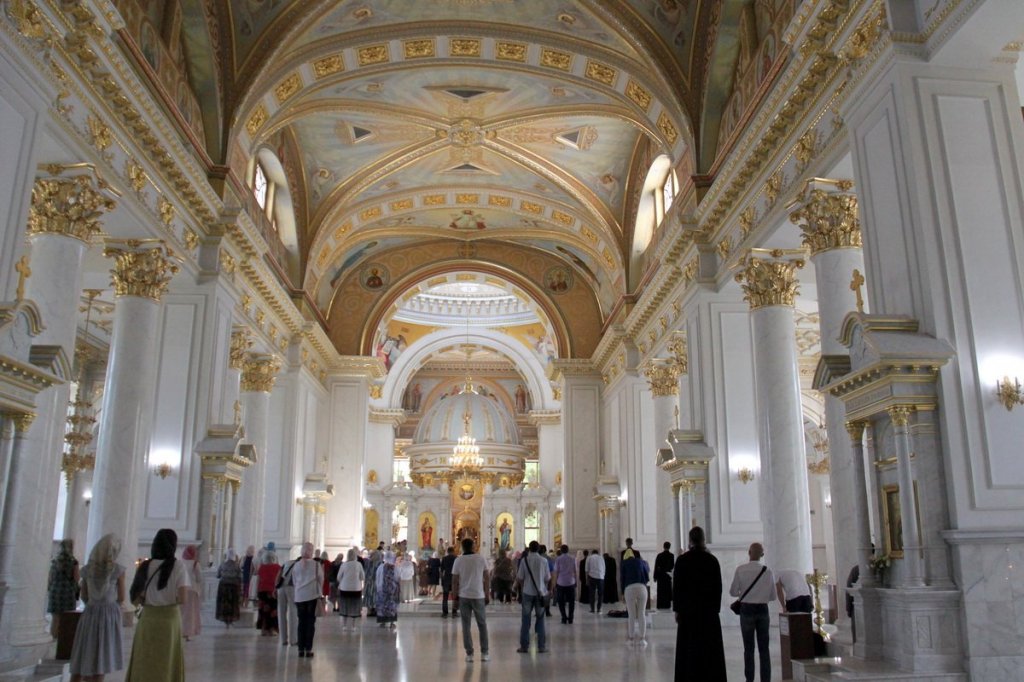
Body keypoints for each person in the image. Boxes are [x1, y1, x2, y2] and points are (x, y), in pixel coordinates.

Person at [125, 528, 190, 682]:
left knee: (144, 661)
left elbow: (134, 597)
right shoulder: (178, 566)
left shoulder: (144, 565)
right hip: (169, 621)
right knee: (166, 662)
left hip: (148, 619)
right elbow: (183, 598)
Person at [673, 526, 727, 681]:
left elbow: (677, 588)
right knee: (710, 651)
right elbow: (718, 588)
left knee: (688, 651)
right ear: (704, 539)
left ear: (690, 540)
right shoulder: (712, 560)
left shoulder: (682, 561)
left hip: (688, 613)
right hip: (708, 614)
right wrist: (715, 609)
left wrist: (677, 610)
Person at [69, 533, 124, 682]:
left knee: (84, 652)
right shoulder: (118, 570)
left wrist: (94, 603)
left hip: (90, 613)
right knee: (102, 657)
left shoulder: (88, 569)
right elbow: (122, 597)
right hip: (109, 614)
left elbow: (84, 596)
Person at [729, 542, 776, 682]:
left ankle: (749, 679)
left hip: (746, 610)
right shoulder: (768, 571)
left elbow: (733, 592)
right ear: (762, 554)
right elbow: (773, 596)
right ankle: (765, 679)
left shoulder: (741, 569)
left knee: (748, 648)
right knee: (764, 649)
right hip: (762, 610)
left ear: (749, 553)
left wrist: (745, 594)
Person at [452, 537, 490, 662]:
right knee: (482, 624)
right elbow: (487, 577)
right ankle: (485, 653)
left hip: (464, 596)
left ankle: (469, 654)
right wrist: (487, 593)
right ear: (473, 546)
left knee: (466, 625)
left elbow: (454, 580)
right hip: (478, 595)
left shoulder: (458, 560)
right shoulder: (481, 558)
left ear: (462, 547)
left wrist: (455, 598)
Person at [516, 540, 551, 653]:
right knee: (540, 619)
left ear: (529, 549)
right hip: (540, 594)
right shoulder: (544, 561)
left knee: (526, 620)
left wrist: (523, 587)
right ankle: (541, 646)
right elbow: (547, 578)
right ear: (539, 549)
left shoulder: (524, 560)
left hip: (527, 592)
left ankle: (524, 646)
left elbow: (520, 578)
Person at [291, 542, 324, 658]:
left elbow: (294, 581)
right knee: (310, 623)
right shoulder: (316, 565)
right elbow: (320, 579)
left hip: (299, 596)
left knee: (301, 622)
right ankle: (308, 649)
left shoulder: (296, 565)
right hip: (312, 595)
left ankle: (300, 649)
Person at [47, 539, 80, 638]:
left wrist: (50, 588)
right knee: (66, 618)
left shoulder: (55, 560)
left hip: (55, 590)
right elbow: (76, 578)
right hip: (67, 592)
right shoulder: (73, 562)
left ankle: (53, 637)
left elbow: (50, 577)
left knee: (55, 618)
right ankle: (62, 640)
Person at [621, 548, 651, 645]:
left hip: (629, 588)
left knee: (631, 615)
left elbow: (622, 579)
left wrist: (622, 593)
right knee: (642, 613)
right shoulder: (642, 562)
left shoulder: (624, 563)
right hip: (642, 588)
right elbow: (647, 577)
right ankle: (642, 639)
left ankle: (631, 639)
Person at [337, 548, 365, 631]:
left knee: (345, 606)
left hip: (344, 588)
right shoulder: (359, 564)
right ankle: (353, 626)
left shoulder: (344, 565)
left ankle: (344, 625)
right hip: (356, 588)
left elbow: (338, 577)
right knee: (355, 606)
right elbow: (362, 577)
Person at [255, 549, 281, 637]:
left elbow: (258, 580)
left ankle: (263, 630)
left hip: (262, 591)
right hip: (273, 592)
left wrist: (257, 591)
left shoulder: (261, 567)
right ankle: (272, 629)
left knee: (263, 611)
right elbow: (279, 580)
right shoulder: (278, 567)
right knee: (273, 611)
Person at [178, 545, 202, 641]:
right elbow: (199, 578)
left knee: (181, 612)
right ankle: (187, 633)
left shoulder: (180, 563)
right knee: (190, 614)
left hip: (181, 589)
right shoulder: (195, 564)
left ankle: (179, 631)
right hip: (192, 591)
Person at [276, 551, 299, 646]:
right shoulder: (299, 565)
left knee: (281, 612)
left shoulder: (286, 563)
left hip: (281, 588)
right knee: (293, 613)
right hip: (291, 588)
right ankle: (293, 640)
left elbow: (278, 576)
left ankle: (283, 639)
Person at [215, 549, 242, 627]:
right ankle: (231, 618)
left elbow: (218, 575)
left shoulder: (222, 564)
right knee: (233, 603)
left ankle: (225, 619)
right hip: (234, 586)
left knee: (224, 603)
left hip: (223, 585)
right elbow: (240, 576)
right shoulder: (237, 565)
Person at [375, 551, 401, 629]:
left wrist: (378, 587)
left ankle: (382, 622)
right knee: (392, 606)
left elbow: (377, 577)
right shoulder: (395, 567)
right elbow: (397, 577)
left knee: (382, 605)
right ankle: (392, 622)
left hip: (382, 589)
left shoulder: (380, 567)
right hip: (392, 590)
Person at [553, 544, 577, 624]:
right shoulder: (573, 558)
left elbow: (556, 572)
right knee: (571, 601)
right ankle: (570, 618)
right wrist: (575, 581)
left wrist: (555, 583)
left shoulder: (558, 559)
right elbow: (575, 571)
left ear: (561, 550)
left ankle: (564, 617)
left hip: (561, 582)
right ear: (568, 550)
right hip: (571, 582)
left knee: (561, 601)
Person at [654, 541, 675, 610]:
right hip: (667, 576)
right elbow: (672, 566)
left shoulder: (659, 555)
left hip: (660, 576)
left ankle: (660, 605)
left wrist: (655, 577)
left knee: (661, 591)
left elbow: (656, 566)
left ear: (663, 547)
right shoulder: (672, 556)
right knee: (667, 591)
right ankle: (667, 605)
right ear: (669, 547)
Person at [440, 546, 458, 618]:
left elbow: (441, 570)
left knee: (445, 596)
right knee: (455, 596)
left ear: (447, 551)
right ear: (453, 551)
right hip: (454, 578)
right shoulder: (456, 558)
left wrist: (442, 579)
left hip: (446, 579)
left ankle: (445, 613)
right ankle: (454, 612)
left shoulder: (444, 558)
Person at [585, 548, 605, 613]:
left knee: (592, 594)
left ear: (592, 553)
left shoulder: (589, 558)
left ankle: (592, 609)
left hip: (592, 577)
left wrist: (587, 579)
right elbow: (604, 568)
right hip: (600, 577)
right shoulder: (601, 558)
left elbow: (586, 570)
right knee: (600, 594)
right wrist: (603, 576)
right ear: (597, 553)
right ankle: (599, 608)